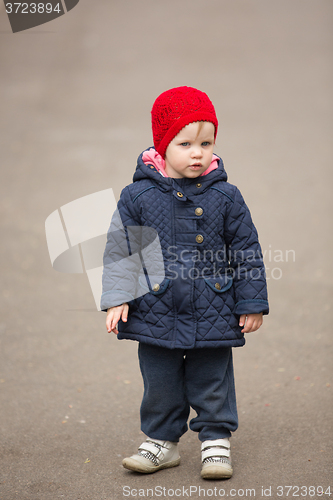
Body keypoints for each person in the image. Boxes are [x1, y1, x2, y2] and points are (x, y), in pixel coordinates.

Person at [100, 86, 269, 479]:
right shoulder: (137, 196)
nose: (198, 152)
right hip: (155, 307)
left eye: (206, 142)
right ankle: (162, 441)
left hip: (213, 306)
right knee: (159, 379)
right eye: (185, 143)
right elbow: (123, 249)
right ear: (162, 146)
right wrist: (119, 297)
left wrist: (251, 302)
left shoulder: (226, 197)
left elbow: (246, 250)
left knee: (212, 377)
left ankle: (215, 441)